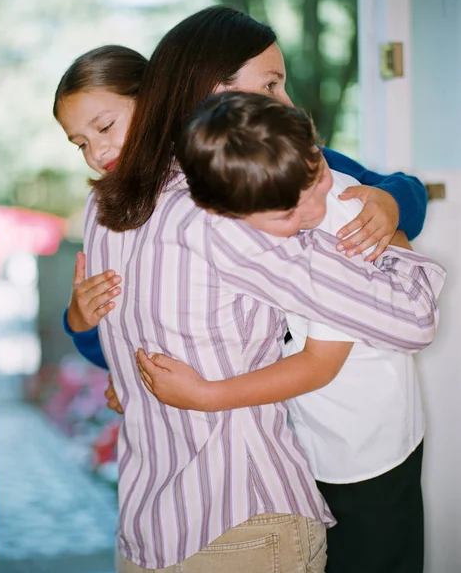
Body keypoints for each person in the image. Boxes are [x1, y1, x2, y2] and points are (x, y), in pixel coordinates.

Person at [53, 8, 439, 573]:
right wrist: (96, 339)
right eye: (269, 85)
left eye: (105, 128)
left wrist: (393, 208)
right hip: (263, 463)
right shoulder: (154, 202)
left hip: (353, 439)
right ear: (196, 93)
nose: (281, 102)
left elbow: (380, 193)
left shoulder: (288, 169)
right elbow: (131, 323)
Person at [134, 91, 436, 573]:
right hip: (324, 437)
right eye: (287, 214)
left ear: (315, 152)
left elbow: (320, 363)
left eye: (316, 178)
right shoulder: (255, 203)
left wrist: (207, 395)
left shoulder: (338, 229)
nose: (313, 209)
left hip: (366, 449)